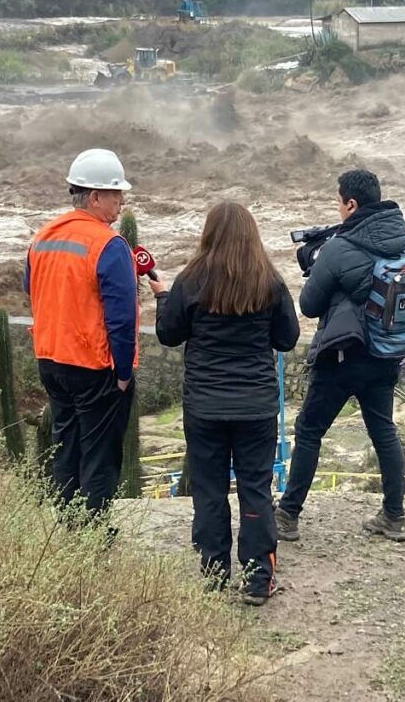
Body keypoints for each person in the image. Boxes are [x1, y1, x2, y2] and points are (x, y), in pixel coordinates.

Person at [154, 202, 300, 605]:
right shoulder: (269, 281)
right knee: (256, 488)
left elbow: (168, 334)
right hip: (255, 406)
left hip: (204, 406)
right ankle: (257, 579)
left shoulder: (190, 279)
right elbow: (287, 339)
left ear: (208, 233)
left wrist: (163, 296)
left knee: (209, 490)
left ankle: (213, 573)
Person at [275, 169, 405, 543]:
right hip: (387, 353)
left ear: (351, 204)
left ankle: (288, 515)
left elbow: (308, 305)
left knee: (309, 431)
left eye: (339, 203)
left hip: (343, 355)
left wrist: (320, 267)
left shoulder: (338, 248)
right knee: (383, 431)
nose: (338, 210)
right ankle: (394, 516)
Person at [24, 148, 154, 521]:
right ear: (95, 196)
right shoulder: (109, 245)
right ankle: (92, 533)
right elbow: (121, 320)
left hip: (50, 359)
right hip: (93, 366)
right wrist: (125, 373)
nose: (122, 202)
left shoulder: (44, 236)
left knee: (66, 445)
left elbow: (30, 286)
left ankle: (67, 523)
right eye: (116, 195)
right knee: (100, 454)